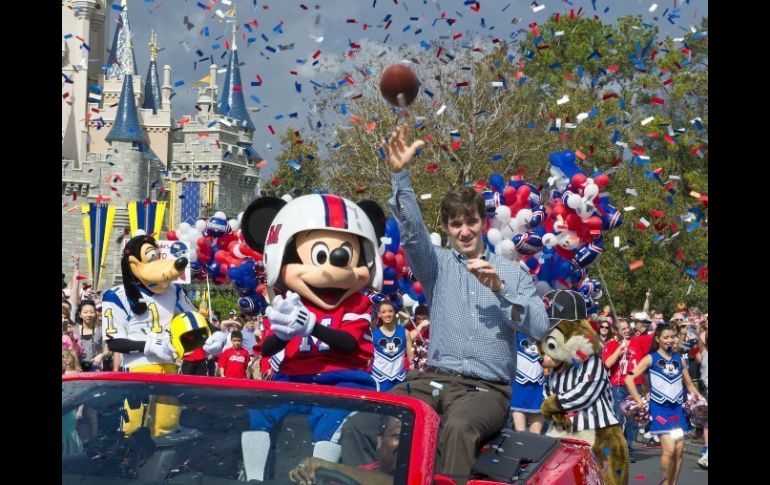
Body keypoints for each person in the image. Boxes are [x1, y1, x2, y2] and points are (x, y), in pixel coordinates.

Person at [341, 125, 550, 477]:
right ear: (448, 228)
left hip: (486, 390)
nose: (464, 230)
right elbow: (411, 233)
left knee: (457, 427)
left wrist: (500, 290)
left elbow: (539, 327)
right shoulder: (436, 265)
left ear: (483, 223)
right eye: (456, 224)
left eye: (470, 221)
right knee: (360, 424)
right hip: (432, 380)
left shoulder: (512, 273)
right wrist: (400, 176)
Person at [625, 323, 704, 485]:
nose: (669, 340)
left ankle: (672, 483)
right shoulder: (650, 358)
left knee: (679, 450)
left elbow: (689, 385)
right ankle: (665, 482)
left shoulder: (679, 359)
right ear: (658, 339)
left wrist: (701, 399)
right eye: (665, 337)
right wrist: (639, 400)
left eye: (672, 337)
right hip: (660, 410)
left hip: (678, 411)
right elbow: (629, 378)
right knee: (669, 450)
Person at [289, 417, 402, 485]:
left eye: (413, 438)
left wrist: (329, 466)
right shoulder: (352, 475)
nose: (406, 444)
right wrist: (305, 474)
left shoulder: (348, 473)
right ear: (380, 440)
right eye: (398, 436)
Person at [602, 319, 641, 462]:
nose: (625, 330)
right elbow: (607, 364)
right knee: (619, 417)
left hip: (635, 385)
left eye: (626, 328)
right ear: (616, 330)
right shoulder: (611, 344)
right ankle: (616, 449)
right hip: (617, 385)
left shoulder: (636, 341)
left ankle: (627, 448)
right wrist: (620, 348)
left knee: (633, 420)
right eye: (622, 328)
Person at [371, 301, 412, 391]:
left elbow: (410, 355)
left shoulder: (405, 332)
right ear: (379, 314)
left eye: (390, 311)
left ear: (394, 313)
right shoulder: (373, 334)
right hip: (379, 378)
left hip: (400, 378)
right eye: (384, 312)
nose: (387, 314)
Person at [509, 332, 544, 434]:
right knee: (518, 404)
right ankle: (521, 437)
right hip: (519, 373)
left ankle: (534, 438)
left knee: (539, 406)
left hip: (540, 374)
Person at [76, 300, 111, 372]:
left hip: (96, 368)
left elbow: (107, 351)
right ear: (80, 314)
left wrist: (101, 356)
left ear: (95, 313)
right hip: (77, 369)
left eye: (91, 312)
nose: (88, 315)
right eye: (85, 312)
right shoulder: (74, 331)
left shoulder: (101, 330)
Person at [404, 305, 430, 371]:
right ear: (415, 318)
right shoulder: (409, 328)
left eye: (424, 319)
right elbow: (406, 338)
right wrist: (420, 326)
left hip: (426, 365)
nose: (421, 321)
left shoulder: (432, 331)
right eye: (419, 319)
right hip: (409, 365)